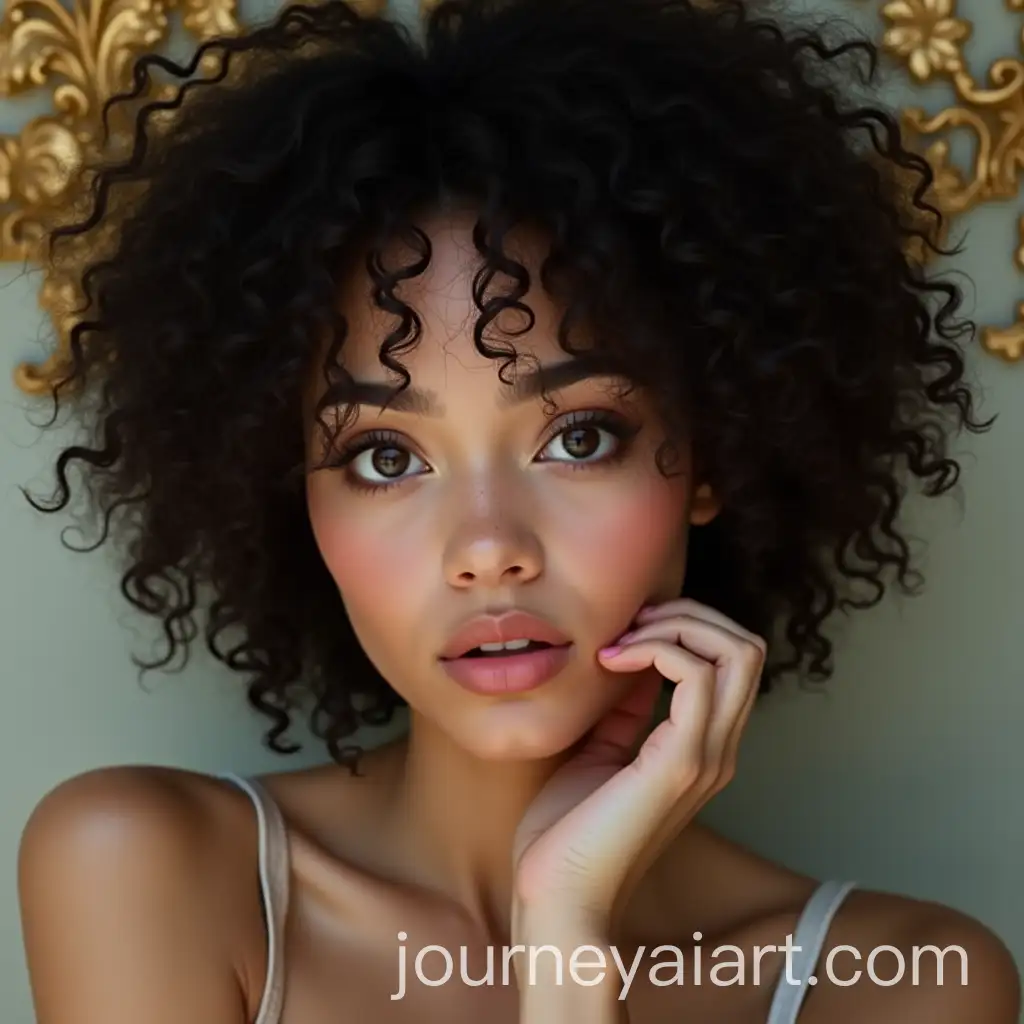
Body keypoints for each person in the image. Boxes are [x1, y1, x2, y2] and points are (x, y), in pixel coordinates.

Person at [15, 0, 1021, 1021]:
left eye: (578, 437)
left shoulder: (903, 985)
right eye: (385, 456)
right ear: (294, 491)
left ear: (711, 454)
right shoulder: (147, 872)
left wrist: (565, 930)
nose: (488, 548)